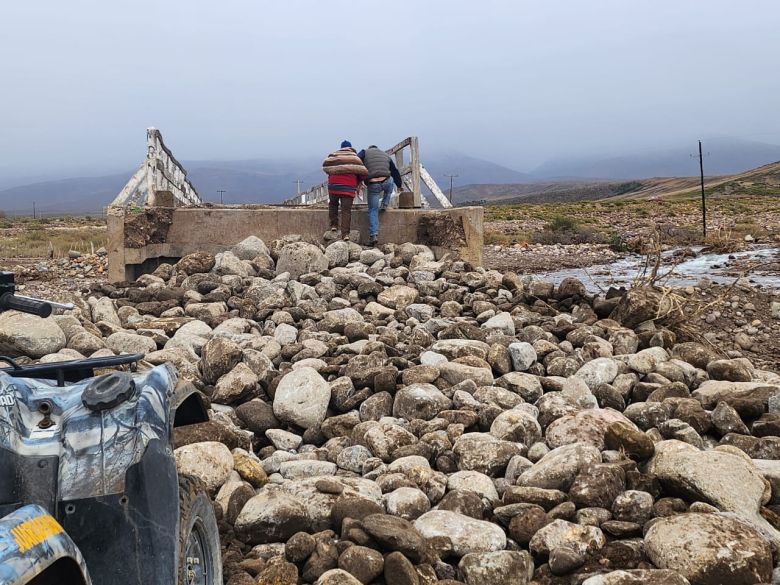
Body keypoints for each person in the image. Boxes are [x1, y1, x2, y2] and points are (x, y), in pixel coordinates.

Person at [322, 140, 368, 240]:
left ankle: (334, 225)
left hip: (333, 185)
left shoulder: (334, 155)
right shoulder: (355, 157)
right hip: (348, 187)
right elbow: (363, 172)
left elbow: (325, 166)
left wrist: (334, 173)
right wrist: (358, 180)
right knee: (346, 210)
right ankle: (345, 234)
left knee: (333, 204)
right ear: (351, 148)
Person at [358, 145, 403, 246]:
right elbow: (394, 171)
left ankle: (373, 235)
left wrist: (358, 180)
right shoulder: (385, 155)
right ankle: (385, 203)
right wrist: (399, 185)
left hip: (373, 184)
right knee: (391, 180)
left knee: (373, 210)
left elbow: (356, 160)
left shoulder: (364, 152)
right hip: (387, 181)